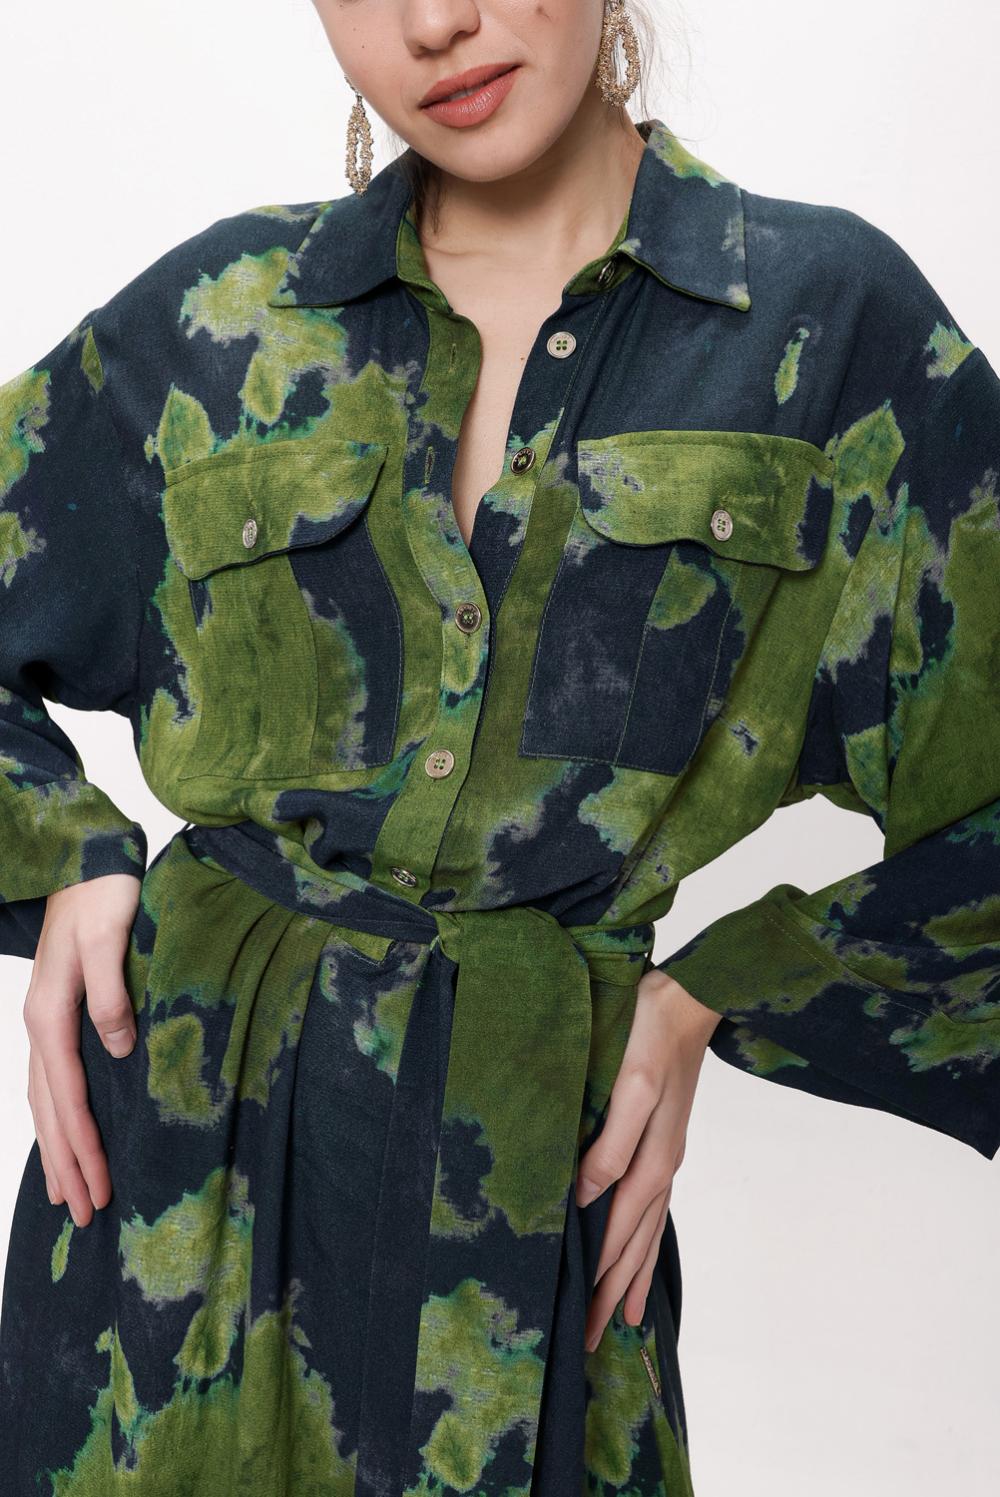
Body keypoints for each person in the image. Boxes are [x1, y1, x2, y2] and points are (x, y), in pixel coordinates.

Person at [1, 0, 998, 1489]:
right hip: (156, 1246)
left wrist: (723, 993)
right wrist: (65, 854)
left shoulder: (824, 327)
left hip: (526, 1257)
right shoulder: (226, 316)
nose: (434, 21)